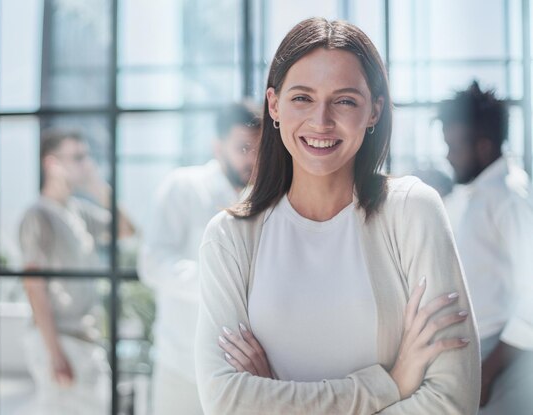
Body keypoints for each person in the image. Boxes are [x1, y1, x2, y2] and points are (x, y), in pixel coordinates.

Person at [195, 17, 481, 414]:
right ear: (274, 105)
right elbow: (227, 404)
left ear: (374, 111)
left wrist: (275, 397)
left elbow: (451, 402)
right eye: (302, 98)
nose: (321, 121)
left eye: (345, 100)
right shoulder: (230, 236)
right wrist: (391, 384)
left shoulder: (414, 211)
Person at [137, 102, 261, 415]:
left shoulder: (266, 199)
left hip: (243, 374)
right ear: (217, 147)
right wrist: (223, 282)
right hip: (182, 365)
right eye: (243, 147)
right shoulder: (184, 187)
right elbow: (153, 263)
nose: (254, 158)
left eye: (260, 148)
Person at [19, 128, 136, 414]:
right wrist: (55, 353)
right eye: (78, 157)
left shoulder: (79, 211)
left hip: (84, 338)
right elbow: (34, 286)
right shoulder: (38, 215)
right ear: (52, 164)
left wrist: (97, 186)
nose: (86, 164)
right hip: (60, 339)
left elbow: (126, 229)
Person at [437, 81, 533, 414]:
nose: (448, 155)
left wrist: (489, 371)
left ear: (483, 145)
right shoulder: (470, 194)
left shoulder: (509, 196)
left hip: (505, 362)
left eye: (454, 145)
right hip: (476, 357)